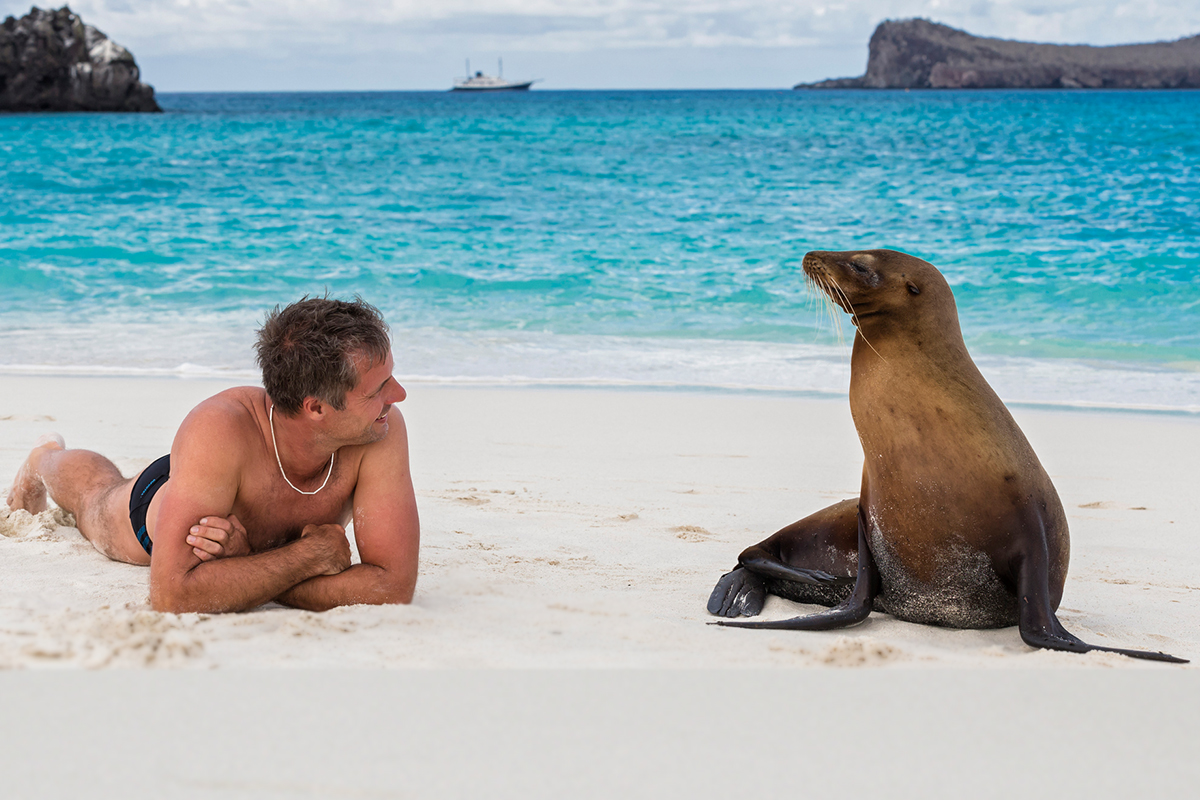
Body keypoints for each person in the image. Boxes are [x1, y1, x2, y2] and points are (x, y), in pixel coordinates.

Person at [5, 297, 419, 613]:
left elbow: (392, 587)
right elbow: (173, 595)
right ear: (316, 408)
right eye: (378, 388)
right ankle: (43, 458)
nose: (397, 395)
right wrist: (306, 558)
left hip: (219, 482)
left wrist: (247, 567)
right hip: (168, 501)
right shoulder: (218, 427)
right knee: (96, 498)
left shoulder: (378, 429)